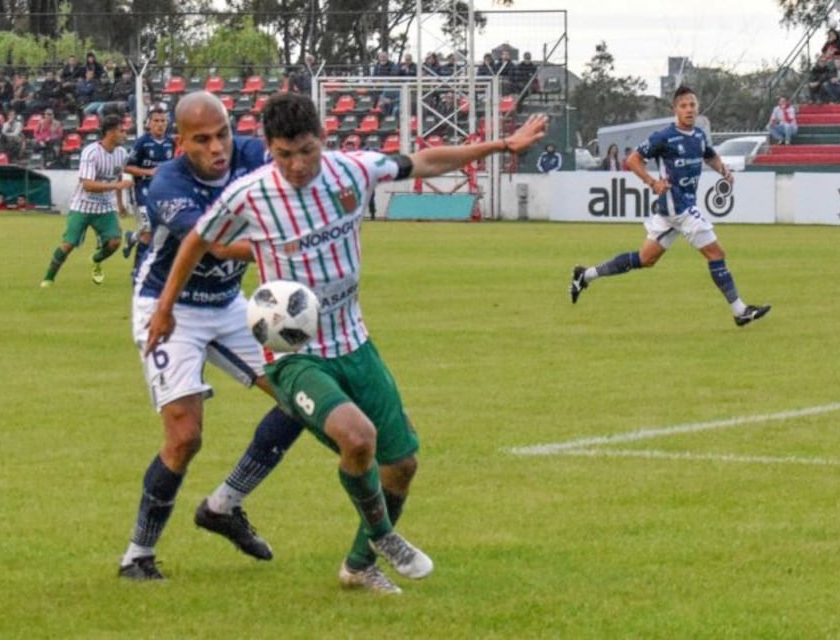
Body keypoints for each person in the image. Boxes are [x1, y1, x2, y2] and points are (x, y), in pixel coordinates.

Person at [144, 92, 549, 594]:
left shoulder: (352, 171)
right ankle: (384, 535)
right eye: (284, 154)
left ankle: (359, 565)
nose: (296, 165)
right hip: (296, 356)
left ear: (323, 141)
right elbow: (196, 241)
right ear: (268, 148)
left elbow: (424, 160)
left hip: (355, 343)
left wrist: (502, 144)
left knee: (402, 464)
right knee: (357, 439)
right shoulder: (249, 194)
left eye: (306, 151)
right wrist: (163, 310)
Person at [119, 91, 307, 581]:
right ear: (180, 142)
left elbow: (300, 167)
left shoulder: (252, 154)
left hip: (228, 306)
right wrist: (284, 243)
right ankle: (137, 556)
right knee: (185, 437)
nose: (217, 147)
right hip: (167, 308)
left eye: (222, 133)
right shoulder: (168, 184)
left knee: (303, 398)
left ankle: (224, 505)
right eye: (202, 140)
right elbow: (217, 246)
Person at [569, 85, 771, 327]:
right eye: (683, 106)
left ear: (698, 108)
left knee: (645, 259)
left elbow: (710, 155)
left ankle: (585, 275)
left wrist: (724, 170)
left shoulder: (698, 136)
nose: (689, 110)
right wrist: (652, 182)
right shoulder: (663, 137)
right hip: (679, 208)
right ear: (675, 109)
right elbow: (632, 160)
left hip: (672, 211)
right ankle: (740, 311)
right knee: (716, 254)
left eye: (692, 105)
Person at [39, 114, 131, 288]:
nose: (125, 135)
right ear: (110, 132)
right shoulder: (91, 152)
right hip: (83, 205)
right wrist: (117, 186)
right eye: (122, 131)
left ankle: (96, 260)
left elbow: (118, 175)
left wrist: (119, 203)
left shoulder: (121, 153)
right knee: (68, 244)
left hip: (105, 207)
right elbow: (87, 185)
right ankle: (48, 278)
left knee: (115, 242)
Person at [122, 105, 175, 267]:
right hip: (142, 191)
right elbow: (127, 167)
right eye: (156, 121)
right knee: (147, 231)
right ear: (149, 123)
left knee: (163, 231)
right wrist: (149, 172)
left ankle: (133, 238)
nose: (160, 124)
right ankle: (137, 269)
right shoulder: (142, 143)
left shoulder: (171, 143)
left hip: (163, 192)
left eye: (163, 121)